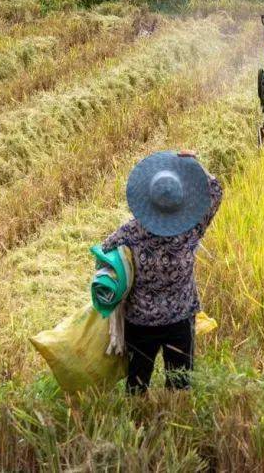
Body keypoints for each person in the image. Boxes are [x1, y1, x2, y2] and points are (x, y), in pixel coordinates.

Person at [101, 149, 222, 394]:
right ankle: (174, 421)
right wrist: (194, 166)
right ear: (181, 200)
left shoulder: (131, 231)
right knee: (179, 384)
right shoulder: (190, 230)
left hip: (140, 321)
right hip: (179, 319)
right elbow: (216, 191)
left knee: (137, 384)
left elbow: (105, 251)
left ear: (148, 199)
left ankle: (137, 425)